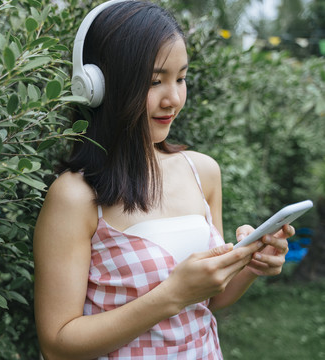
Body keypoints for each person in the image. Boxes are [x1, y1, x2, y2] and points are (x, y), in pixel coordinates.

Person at [33, 1, 293, 359]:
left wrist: (250, 263)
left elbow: (211, 300)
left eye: (181, 78)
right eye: (155, 81)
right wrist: (171, 295)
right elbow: (57, 345)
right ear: (99, 86)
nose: (174, 98)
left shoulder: (202, 172)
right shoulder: (75, 196)